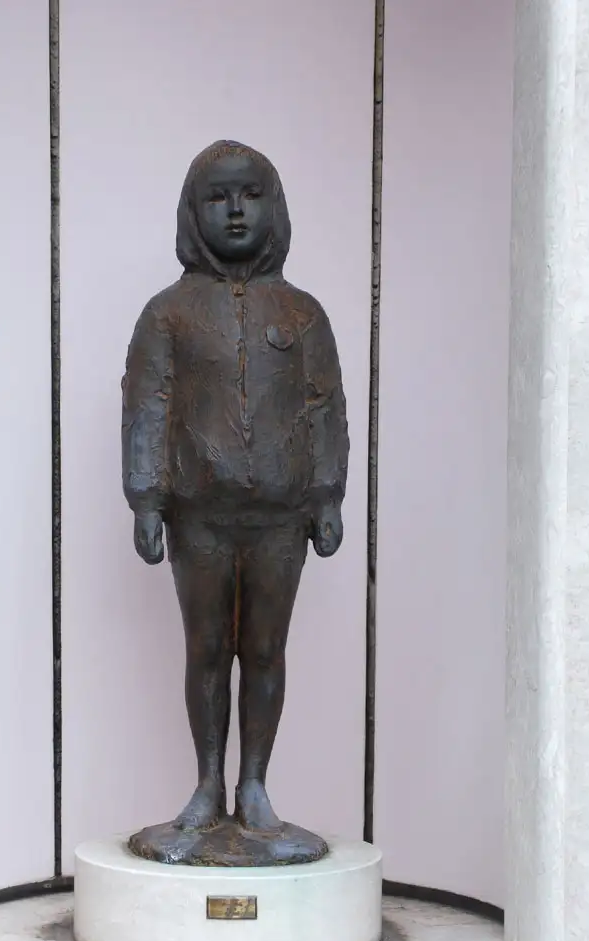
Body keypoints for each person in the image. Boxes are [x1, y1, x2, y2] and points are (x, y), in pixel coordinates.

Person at [122, 140, 349, 839]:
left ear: (273, 205)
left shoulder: (303, 314)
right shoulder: (167, 314)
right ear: (193, 213)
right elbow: (148, 404)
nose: (236, 210)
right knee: (206, 650)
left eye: (250, 194)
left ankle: (254, 786)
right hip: (200, 516)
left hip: (280, 516)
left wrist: (327, 494)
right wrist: (146, 498)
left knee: (267, 649)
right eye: (217, 198)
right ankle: (206, 784)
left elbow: (324, 405)